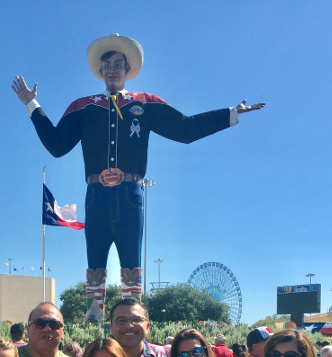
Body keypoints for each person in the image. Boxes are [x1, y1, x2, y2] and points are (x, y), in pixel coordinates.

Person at [13, 33, 264, 321]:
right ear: (100, 71)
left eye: (118, 63)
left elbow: (185, 130)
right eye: (106, 65)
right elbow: (57, 146)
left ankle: (132, 322)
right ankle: (93, 323)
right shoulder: (82, 106)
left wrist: (231, 114)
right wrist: (33, 106)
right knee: (95, 264)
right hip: (96, 194)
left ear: (127, 69)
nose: (112, 69)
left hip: (131, 194)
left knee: (132, 264)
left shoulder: (145, 103)